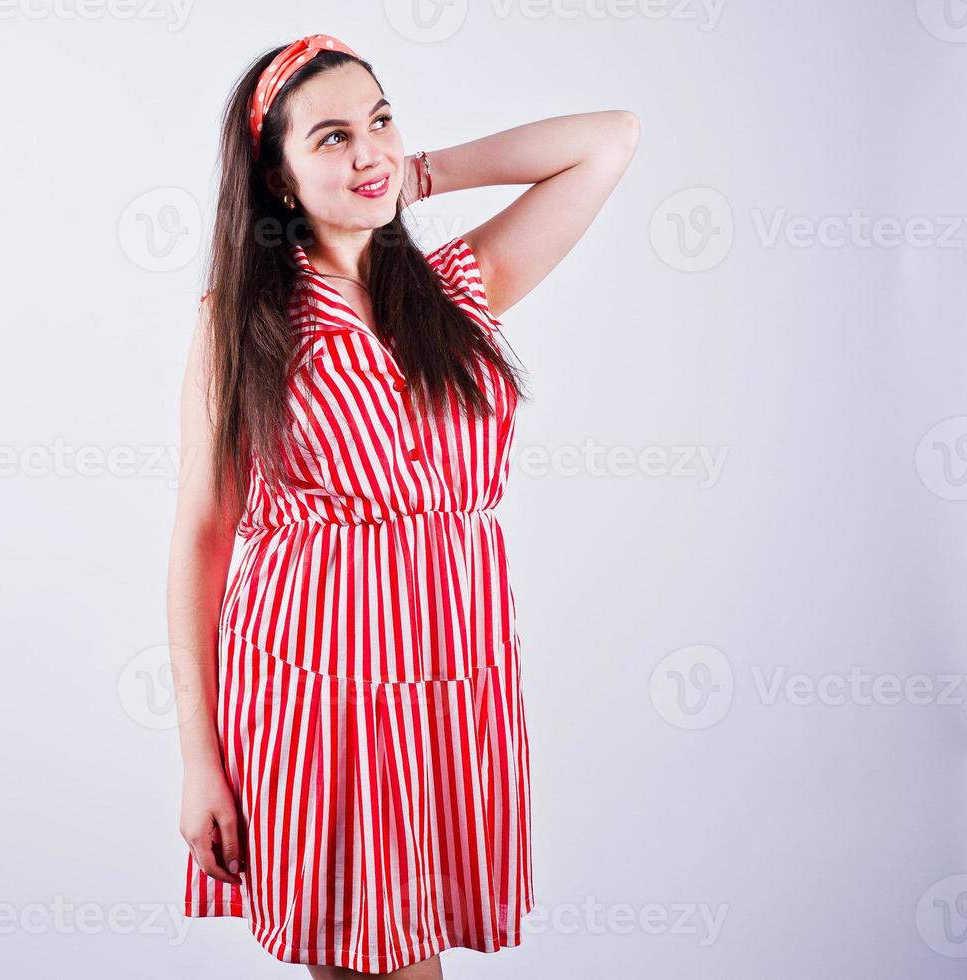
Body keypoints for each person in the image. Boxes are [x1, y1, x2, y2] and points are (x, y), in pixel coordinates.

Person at [166, 33, 638, 979]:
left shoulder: (457, 293)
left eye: (378, 121)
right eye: (331, 137)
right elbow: (201, 536)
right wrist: (199, 759)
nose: (366, 150)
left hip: (453, 684)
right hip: (316, 693)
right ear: (276, 175)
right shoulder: (243, 323)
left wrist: (416, 173)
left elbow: (609, 140)